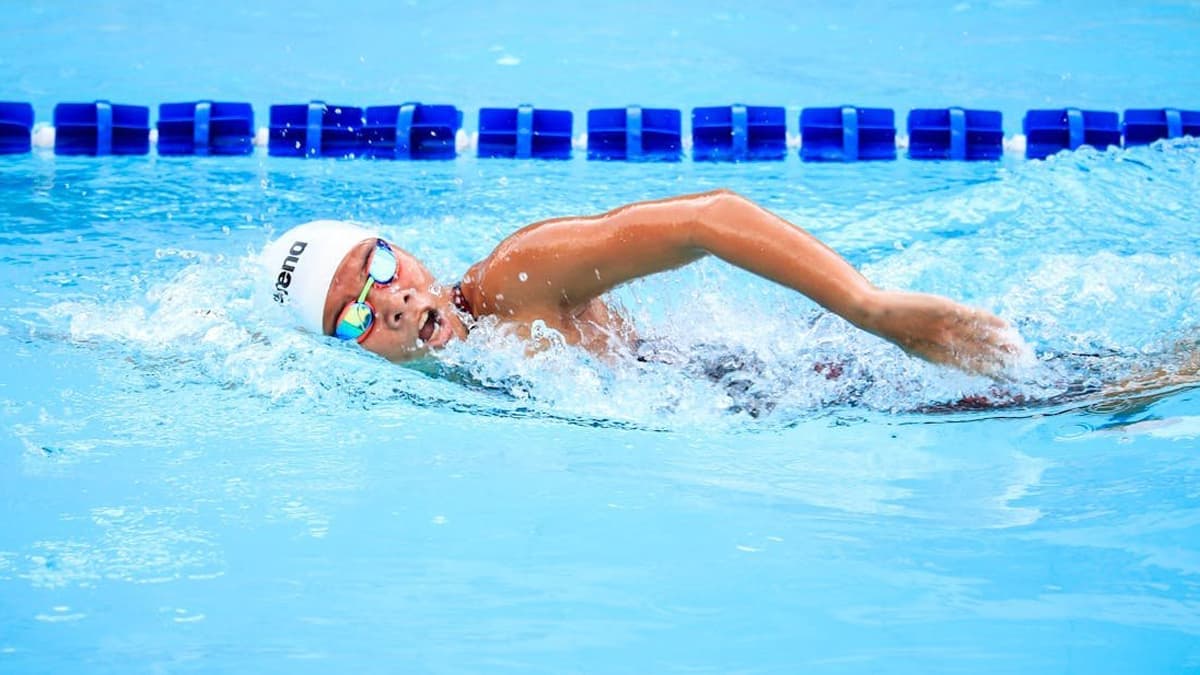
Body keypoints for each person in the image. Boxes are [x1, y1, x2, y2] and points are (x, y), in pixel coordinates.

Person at [261, 189, 1027, 378]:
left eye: (382, 267)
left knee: (1059, 388)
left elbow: (709, 218)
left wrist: (874, 310)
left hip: (783, 383)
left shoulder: (515, 278)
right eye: (353, 313)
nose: (389, 300)